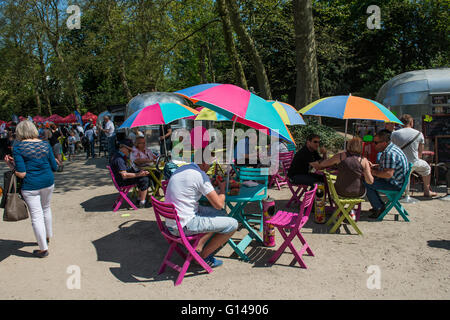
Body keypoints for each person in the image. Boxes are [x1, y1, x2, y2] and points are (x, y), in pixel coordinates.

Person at [165, 148, 238, 268]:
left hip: (172, 222)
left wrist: (208, 183)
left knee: (222, 213)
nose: (210, 167)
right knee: (233, 223)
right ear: (204, 163)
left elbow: (192, 186)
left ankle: (200, 243)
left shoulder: (183, 169)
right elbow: (218, 204)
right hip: (185, 225)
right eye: (210, 164)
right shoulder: (199, 175)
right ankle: (202, 256)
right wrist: (223, 189)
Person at [5, 120, 60, 258]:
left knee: (36, 215)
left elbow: (21, 173)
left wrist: (11, 166)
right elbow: (55, 166)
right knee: (46, 208)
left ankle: (43, 248)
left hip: (30, 185)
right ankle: (48, 236)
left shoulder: (18, 148)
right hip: (48, 181)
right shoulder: (45, 144)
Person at [363, 129, 409, 219]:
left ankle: (379, 207)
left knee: (367, 182)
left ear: (384, 143)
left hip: (394, 184)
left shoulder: (389, 153)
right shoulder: (391, 148)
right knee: (370, 179)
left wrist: (370, 171)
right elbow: (388, 167)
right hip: (398, 182)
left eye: (376, 142)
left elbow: (388, 174)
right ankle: (378, 205)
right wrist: (375, 166)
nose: (373, 144)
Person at [391, 114, 437, 197]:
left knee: (406, 172)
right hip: (414, 162)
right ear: (411, 122)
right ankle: (427, 191)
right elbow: (420, 153)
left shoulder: (394, 134)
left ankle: (404, 192)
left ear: (401, 123)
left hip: (399, 163)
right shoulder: (419, 134)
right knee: (427, 168)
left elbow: (392, 150)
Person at [109, 139, 151, 208]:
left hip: (119, 179)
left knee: (142, 175)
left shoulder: (117, 155)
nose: (130, 152)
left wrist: (138, 172)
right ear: (123, 148)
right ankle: (142, 202)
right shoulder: (119, 159)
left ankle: (139, 199)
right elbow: (124, 175)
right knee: (144, 179)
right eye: (129, 150)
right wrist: (139, 174)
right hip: (122, 181)